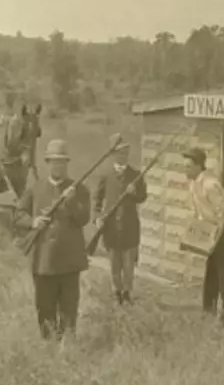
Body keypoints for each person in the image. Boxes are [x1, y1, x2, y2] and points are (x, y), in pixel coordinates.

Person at [17, 139, 91, 340]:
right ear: (47, 163)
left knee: (68, 309)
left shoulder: (79, 189)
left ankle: (66, 347)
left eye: (62, 162)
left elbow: (84, 219)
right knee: (44, 307)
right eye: (53, 161)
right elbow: (18, 214)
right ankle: (48, 346)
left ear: (67, 164)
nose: (58, 165)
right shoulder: (35, 188)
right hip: (43, 261)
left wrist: (72, 201)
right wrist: (33, 222)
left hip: (69, 261)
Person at [182, 147, 224, 328]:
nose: (185, 170)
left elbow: (223, 215)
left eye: (188, 166)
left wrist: (214, 241)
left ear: (199, 166)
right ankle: (208, 310)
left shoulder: (211, 185)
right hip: (210, 230)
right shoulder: (193, 183)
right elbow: (198, 213)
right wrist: (196, 236)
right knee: (211, 272)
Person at [93, 133, 148, 306]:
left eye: (125, 153)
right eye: (119, 153)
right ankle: (117, 293)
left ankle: (127, 293)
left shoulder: (136, 175)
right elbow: (97, 200)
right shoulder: (106, 175)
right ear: (113, 155)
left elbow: (143, 197)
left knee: (129, 265)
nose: (123, 156)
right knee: (114, 265)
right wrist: (97, 219)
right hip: (110, 227)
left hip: (130, 227)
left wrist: (134, 193)